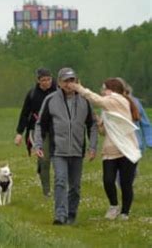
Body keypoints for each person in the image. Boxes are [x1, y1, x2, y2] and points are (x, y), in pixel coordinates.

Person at [69, 78, 141, 221]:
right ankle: (113, 206)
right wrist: (99, 123)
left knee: (126, 184)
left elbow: (96, 99)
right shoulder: (108, 107)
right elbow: (104, 132)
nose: (102, 91)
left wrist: (79, 88)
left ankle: (125, 212)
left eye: (104, 88)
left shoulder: (119, 100)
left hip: (126, 149)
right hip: (110, 151)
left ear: (112, 89)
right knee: (108, 180)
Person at [34, 68, 98, 225]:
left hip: (77, 150)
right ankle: (60, 215)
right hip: (58, 150)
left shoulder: (85, 100)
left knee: (75, 186)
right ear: (60, 83)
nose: (69, 84)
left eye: (72, 80)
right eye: (65, 81)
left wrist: (93, 146)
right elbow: (40, 124)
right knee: (60, 181)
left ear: (77, 81)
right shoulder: (51, 100)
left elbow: (92, 125)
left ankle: (71, 213)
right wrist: (38, 144)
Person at [14, 68, 57, 197]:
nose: (46, 82)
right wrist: (19, 133)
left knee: (58, 159)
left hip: (57, 130)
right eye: (43, 80)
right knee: (44, 159)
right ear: (38, 81)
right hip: (37, 130)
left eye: (48, 79)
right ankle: (46, 191)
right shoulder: (32, 94)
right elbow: (24, 114)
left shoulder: (58, 92)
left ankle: (60, 188)